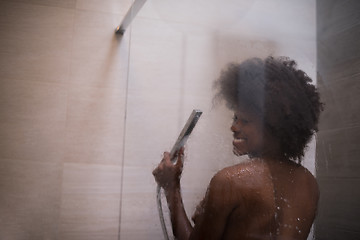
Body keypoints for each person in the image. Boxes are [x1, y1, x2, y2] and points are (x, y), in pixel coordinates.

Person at [152, 56, 323, 240]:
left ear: (274, 127)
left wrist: (172, 188)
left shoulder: (229, 181)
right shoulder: (309, 183)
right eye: (235, 119)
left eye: (245, 121)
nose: (233, 127)